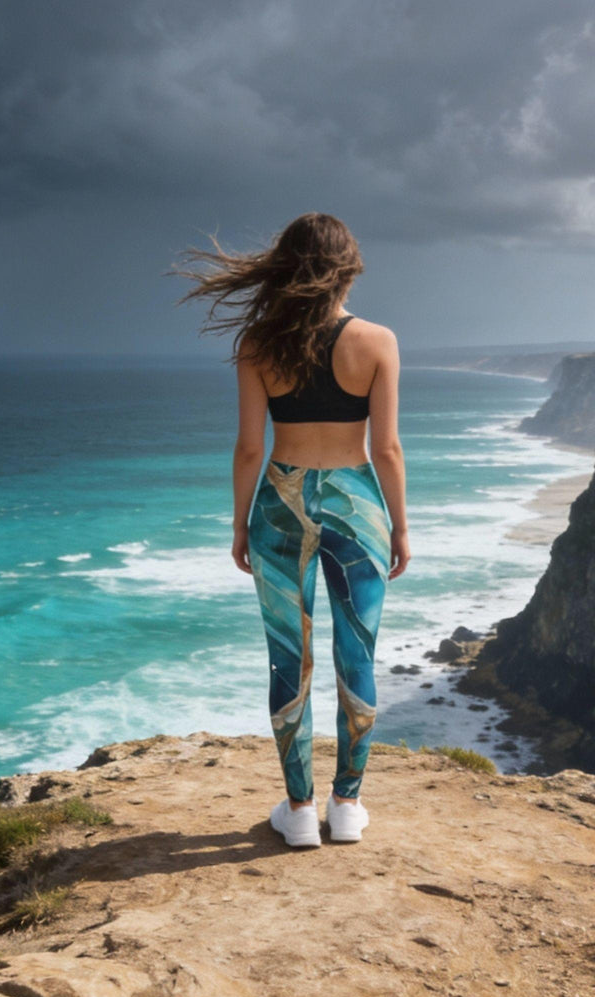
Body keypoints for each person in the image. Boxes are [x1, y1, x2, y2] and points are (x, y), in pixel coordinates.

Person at [177, 212, 409, 848]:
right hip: (357, 504)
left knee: (290, 657)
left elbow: (249, 448)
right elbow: (386, 447)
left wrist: (239, 524)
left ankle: (301, 810)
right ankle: (347, 806)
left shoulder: (258, 344)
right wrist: (400, 527)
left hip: (279, 506)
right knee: (356, 655)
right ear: (349, 270)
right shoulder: (379, 342)